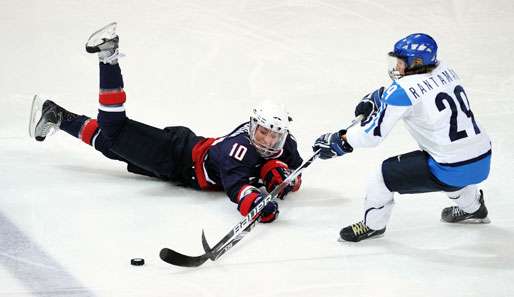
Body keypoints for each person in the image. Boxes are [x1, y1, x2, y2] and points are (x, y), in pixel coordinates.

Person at [29, 22, 303, 223]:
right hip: (175, 157)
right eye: (263, 132)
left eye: (273, 136)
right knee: (115, 131)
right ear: (253, 125)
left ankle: (55, 115)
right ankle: (108, 58)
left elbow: (296, 169)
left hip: (180, 160)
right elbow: (238, 188)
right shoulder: (238, 149)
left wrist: (281, 175)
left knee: (112, 145)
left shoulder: (286, 143)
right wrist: (255, 203)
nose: (267, 140)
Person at [313, 33, 492, 242]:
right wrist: (382, 96)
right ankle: (475, 208)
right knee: (453, 164)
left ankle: (373, 225)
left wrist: (342, 140)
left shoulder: (401, 92)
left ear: (416, 63)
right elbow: (423, 90)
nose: (396, 67)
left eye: (401, 62)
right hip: (483, 158)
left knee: (380, 177)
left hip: (449, 168)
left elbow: (372, 135)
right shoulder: (446, 70)